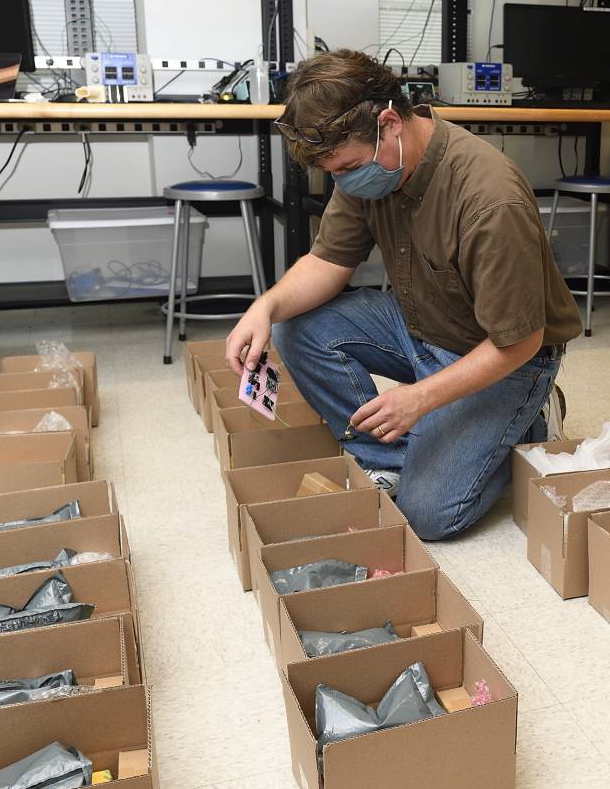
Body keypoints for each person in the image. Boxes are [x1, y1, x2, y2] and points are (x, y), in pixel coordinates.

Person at [225, 49, 582, 541]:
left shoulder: (489, 200)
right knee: (296, 325)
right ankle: (390, 461)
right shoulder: (367, 163)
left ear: (389, 123)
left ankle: (530, 423)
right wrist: (264, 307)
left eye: (346, 167)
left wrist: (417, 400)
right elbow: (329, 262)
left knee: (428, 516)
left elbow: (518, 342)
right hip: (422, 322)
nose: (342, 181)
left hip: (507, 354)